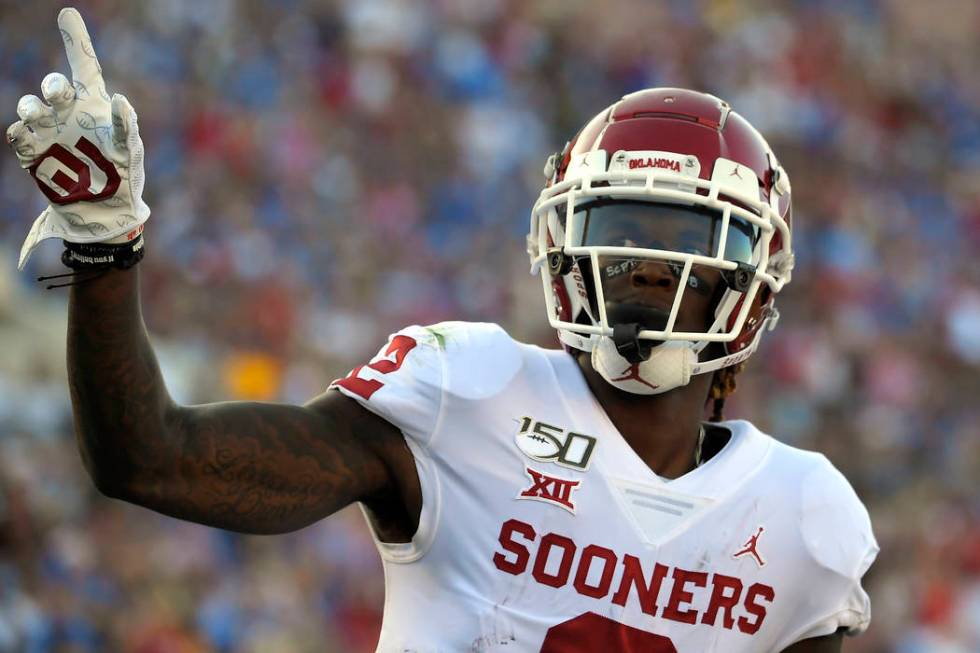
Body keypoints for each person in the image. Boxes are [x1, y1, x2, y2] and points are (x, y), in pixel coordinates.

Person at [7, 8, 878, 652]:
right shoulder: (470, 392)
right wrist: (105, 247)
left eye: (680, 242)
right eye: (618, 234)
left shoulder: (803, 518)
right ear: (562, 245)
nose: (643, 269)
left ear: (754, 283)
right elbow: (147, 457)